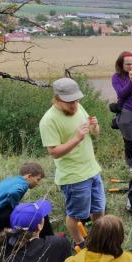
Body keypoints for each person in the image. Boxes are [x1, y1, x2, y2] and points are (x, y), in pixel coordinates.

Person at [39, 77, 105, 249]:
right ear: (57, 99)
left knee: (99, 210)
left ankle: (98, 239)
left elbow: (93, 133)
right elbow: (53, 152)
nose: (74, 105)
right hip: (74, 177)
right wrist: (77, 138)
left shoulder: (78, 107)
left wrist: (95, 127)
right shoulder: (48, 120)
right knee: (76, 216)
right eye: (69, 102)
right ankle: (81, 244)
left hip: (92, 170)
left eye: (76, 100)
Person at [0, 163, 47, 257]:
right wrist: (16, 207)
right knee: (23, 216)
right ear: (29, 176)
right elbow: (13, 192)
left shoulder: (11, 180)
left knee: (16, 213)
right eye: (37, 179)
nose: (38, 183)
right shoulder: (23, 184)